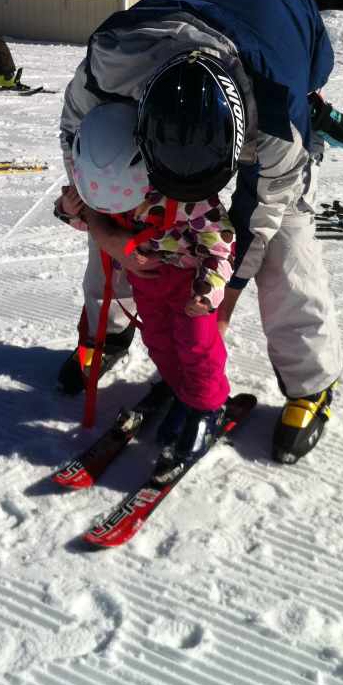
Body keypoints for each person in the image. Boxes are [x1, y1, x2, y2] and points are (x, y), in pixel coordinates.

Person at [58, 0, 343, 465]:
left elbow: (258, 217)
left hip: (284, 21)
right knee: (118, 204)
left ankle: (312, 382)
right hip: (187, 10)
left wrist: (220, 296)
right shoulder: (106, 71)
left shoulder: (275, 114)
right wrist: (104, 229)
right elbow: (81, 158)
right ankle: (105, 335)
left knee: (287, 240)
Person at [70, 100, 236, 474]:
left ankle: (208, 406)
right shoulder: (105, 188)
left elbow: (221, 245)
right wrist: (70, 207)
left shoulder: (190, 197)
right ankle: (182, 392)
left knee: (196, 348)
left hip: (188, 285)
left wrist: (207, 288)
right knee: (160, 341)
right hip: (149, 285)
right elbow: (84, 214)